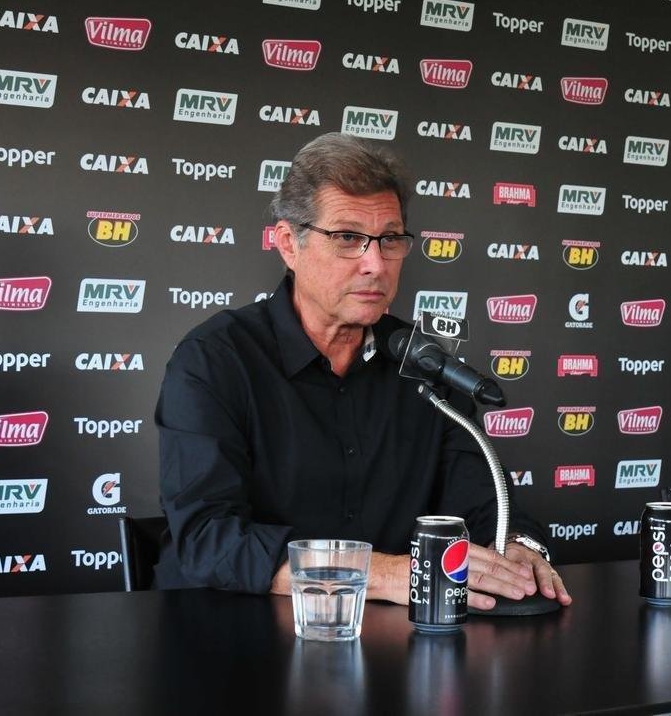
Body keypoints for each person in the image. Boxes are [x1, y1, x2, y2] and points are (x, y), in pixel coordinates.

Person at [154, 132, 571, 609]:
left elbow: (486, 505)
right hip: (231, 636)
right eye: (348, 238)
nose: (375, 263)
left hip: (393, 644)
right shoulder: (214, 359)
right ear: (289, 243)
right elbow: (208, 538)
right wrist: (381, 572)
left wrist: (517, 548)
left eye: (390, 239)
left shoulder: (424, 364)